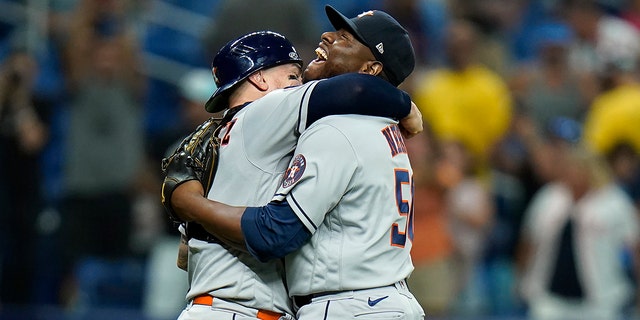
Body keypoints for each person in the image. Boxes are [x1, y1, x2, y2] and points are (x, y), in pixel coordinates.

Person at [170, 6, 425, 319]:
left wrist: (189, 204)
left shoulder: (335, 128)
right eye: (292, 75)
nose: (326, 36)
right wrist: (405, 106)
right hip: (373, 300)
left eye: (345, 39)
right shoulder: (386, 129)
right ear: (260, 79)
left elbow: (274, 233)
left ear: (372, 68)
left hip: (350, 306)